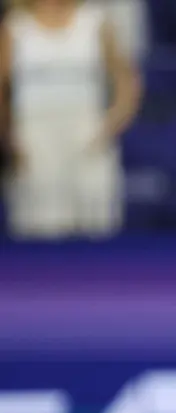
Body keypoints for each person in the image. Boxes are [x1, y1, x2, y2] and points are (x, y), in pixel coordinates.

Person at [0, 0, 141, 239]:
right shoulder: (15, 25)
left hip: (87, 131)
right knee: (41, 224)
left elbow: (126, 78)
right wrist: (9, 137)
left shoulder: (94, 21)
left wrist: (111, 124)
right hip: (34, 134)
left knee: (97, 222)